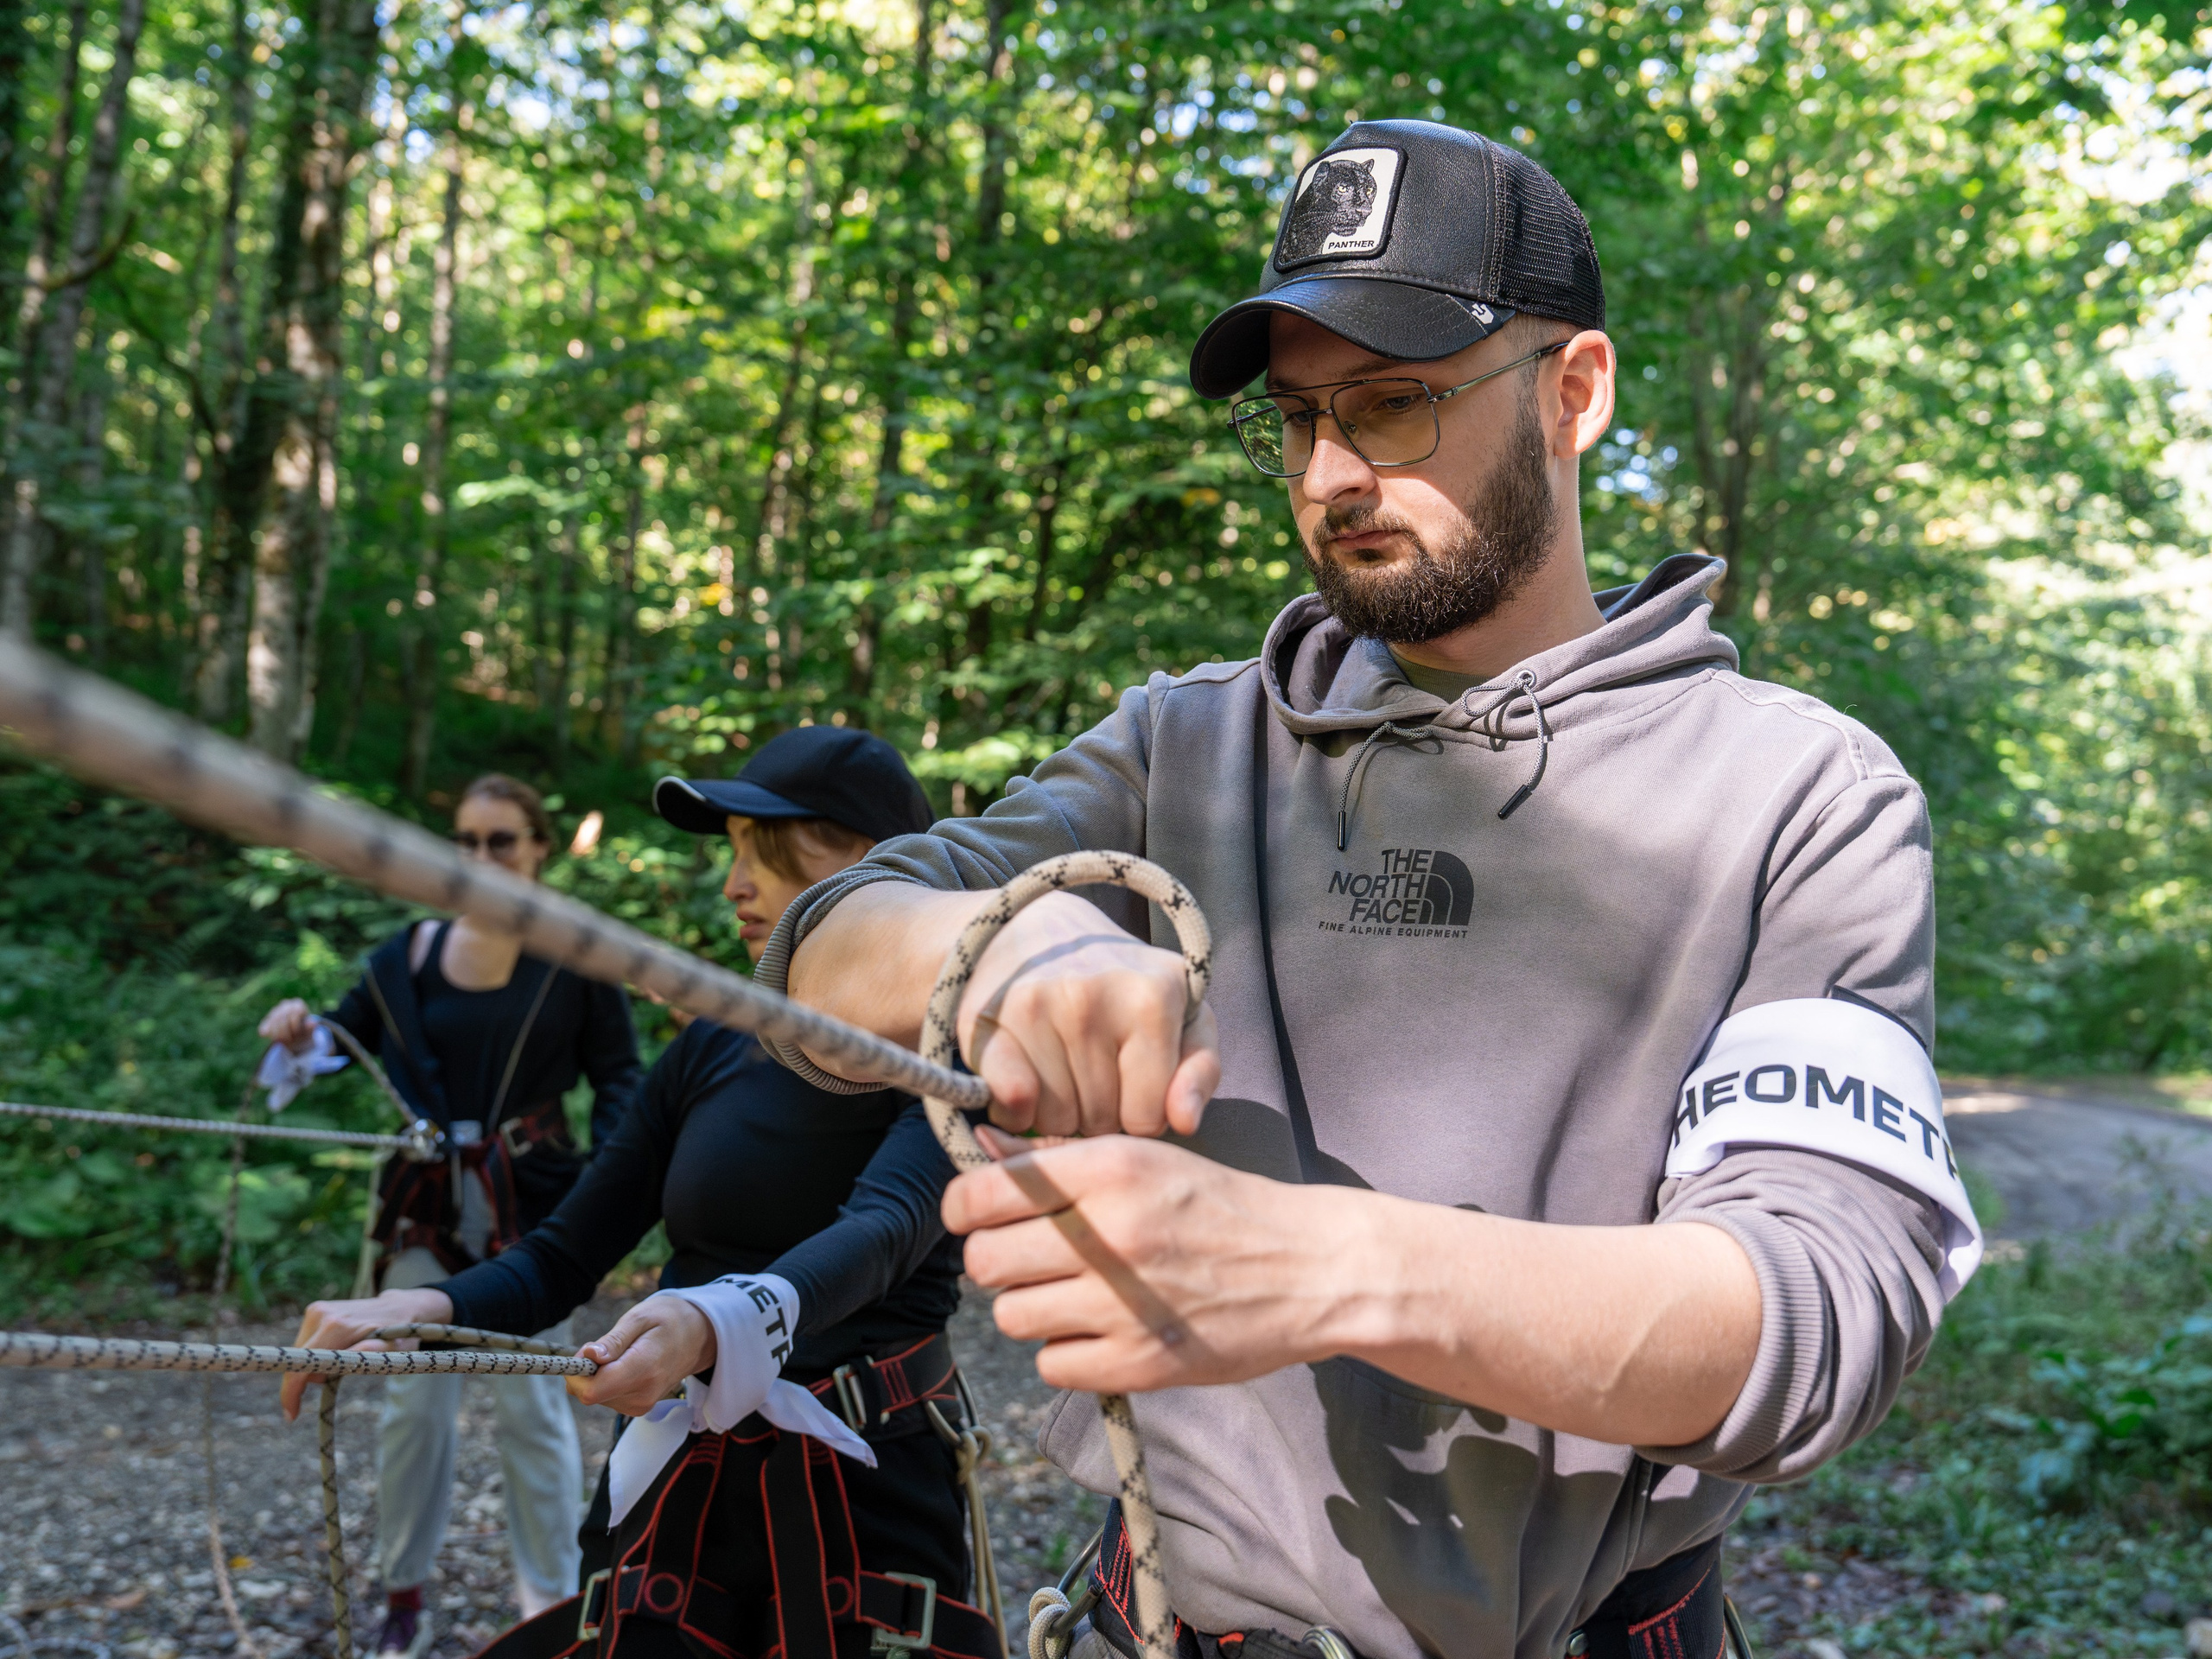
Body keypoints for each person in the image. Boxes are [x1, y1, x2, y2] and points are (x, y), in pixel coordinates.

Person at [751, 120, 1982, 1659]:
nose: (1332, 474)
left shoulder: (1798, 798)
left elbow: (1824, 1311)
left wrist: (1323, 1267)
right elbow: (818, 951)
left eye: (1397, 403)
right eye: (1298, 420)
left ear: (1574, 391)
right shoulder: (1180, 746)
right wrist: (1002, 938)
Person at [282, 728, 1004, 1659]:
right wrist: (415, 1307)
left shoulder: (946, 1050)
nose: (735, 884)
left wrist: (718, 1322)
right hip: (679, 1481)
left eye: (773, 853)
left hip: (868, 1488)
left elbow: (889, 1224)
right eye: (734, 853)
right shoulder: (711, 1046)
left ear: (884, 868)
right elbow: (565, 1252)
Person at [260, 773, 644, 1659]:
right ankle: (403, 1595)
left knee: (534, 1408)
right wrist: (297, 1031)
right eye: (464, 840)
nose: (479, 857)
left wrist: (614, 1187)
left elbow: (620, 1078)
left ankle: (545, 1605)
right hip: (423, 1206)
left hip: (535, 1206)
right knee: (413, 1404)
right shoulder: (405, 959)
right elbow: (336, 1039)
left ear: (540, 847)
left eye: (500, 840)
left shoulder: (577, 956)